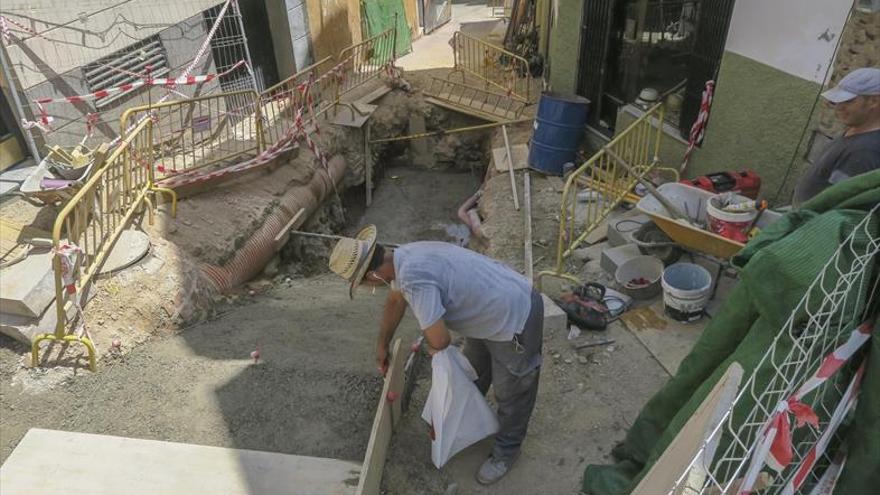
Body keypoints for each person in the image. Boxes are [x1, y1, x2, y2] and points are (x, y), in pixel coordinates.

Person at [328, 225, 543, 485]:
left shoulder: (412, 278)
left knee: (512, 391)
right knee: (472, 372)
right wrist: (381, 345)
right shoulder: (403, 255)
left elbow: (441, 340)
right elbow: (396, 301)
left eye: (365, 285)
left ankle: (506, 451)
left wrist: (433, 348)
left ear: (373, 276)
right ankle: (467, 420)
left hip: (514, 316)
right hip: (488, 307)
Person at [794, 67, 880, 205]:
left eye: (848, 101)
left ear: (873, 101)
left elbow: (838, 205)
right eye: (838, 101)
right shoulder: (855, 130)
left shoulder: (865, 151)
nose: (838, 108)